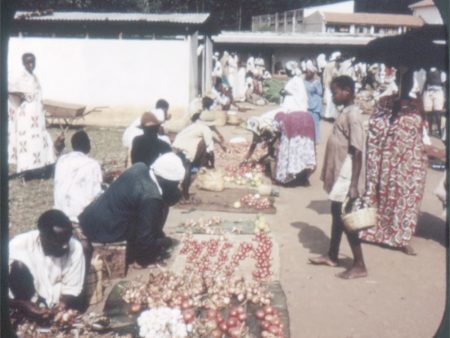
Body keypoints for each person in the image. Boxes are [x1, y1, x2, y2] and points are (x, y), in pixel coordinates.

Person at [359, 69, 428, 255]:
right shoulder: (385, 102)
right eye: (401, 78)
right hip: (383, 158)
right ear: (397, 80)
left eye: (407, 79)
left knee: (404, 198)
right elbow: (374, 125)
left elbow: (420, 132)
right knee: (380, 193)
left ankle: (401, 238)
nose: (404, 82)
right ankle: (376, 232)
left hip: (407, 162)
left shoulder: (416, 106)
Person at [78, 153, 185, 267]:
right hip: (105, 231)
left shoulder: (139, 167)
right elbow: (145, 239)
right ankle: (140, 258)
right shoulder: (151, 197)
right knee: (159, 242)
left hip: (90, 219)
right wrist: (161, 244)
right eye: (175, 184)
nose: (177, 186)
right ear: (164, 180)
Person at [309, 75, 367, 279]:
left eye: (335, 93)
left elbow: (358, 151)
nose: (333, 97)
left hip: (348, 171)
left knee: (345, 216)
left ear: (348, 91)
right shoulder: (345, 112)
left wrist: (353, 184)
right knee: (336, 211)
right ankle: (333, 256)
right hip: (342, 170)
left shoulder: (353, 115)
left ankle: (360, 264)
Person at [9, 210, 86, 318]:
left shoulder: (74, 247)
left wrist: (62, 305)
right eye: (58, 242)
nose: (65, 246)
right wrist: (21, 304)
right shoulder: (18, 245)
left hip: (57, 299)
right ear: (42, 236)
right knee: (18, 266)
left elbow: (73, 286)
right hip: (26, 298)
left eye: (67, 240)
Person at [8, 53, 57, 180]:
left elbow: (39, 98)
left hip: (37, 115)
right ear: (23, 63)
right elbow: (8, 89)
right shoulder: (20, 77)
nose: (31, 64)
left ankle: (44, 168)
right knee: (27, 143)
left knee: (42, 140)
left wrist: (44, 117)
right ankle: (27, 172)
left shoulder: (35, 77)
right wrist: (22, 95)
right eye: (28, 62)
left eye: (33, 62)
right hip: (26, 116)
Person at [172, 109, 226, 200]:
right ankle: (185, 194)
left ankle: (179, 191)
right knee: (187, 168)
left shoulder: (195, 126)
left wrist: (220, 144)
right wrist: (212, 165)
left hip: (176, 145)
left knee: (182, 168)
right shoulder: (206, 129)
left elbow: (211, 138)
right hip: (186, 148)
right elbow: (210, 150)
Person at [54, 131, 103, 223]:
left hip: (60, 212)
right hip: (80, 217)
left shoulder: (62, 161)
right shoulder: (93, 164)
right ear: (88, 145)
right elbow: (96, 194)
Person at [272, 111, 316, 186]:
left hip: (294, 135)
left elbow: (276, 130)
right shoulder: (303, 113)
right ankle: (303, 178)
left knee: (288, 154)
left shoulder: (280, 118)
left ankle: (286, 179)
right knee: (304, 155)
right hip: (307, 133)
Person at [423, 67, 446, 138]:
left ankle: (439, 130)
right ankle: (430, 130)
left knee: (437, 112)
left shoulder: (441, 71)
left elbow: (444, 82)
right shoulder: (427, 71)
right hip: (429, 92)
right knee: (428, 112)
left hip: (438, 92)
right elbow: (425, 82)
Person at [304, 60, 323, 142]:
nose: (307, 73)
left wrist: (314, 88)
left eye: (308, 72)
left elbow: (320, 92)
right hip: (307, 104)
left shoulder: (317, 82)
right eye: (306, 72)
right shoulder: (304, 81)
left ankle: (316, 139)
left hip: (315, 105)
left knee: (315, 122)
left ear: (312, 73)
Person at [321, 52, 341, 120]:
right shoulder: (334, 65)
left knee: (328, 100)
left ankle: (327, 115)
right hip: (332, 84)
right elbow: (334, 75)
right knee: (332, 101)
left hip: (327, 84)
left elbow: (324, 75)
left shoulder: (327, 64)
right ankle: (331, 116)